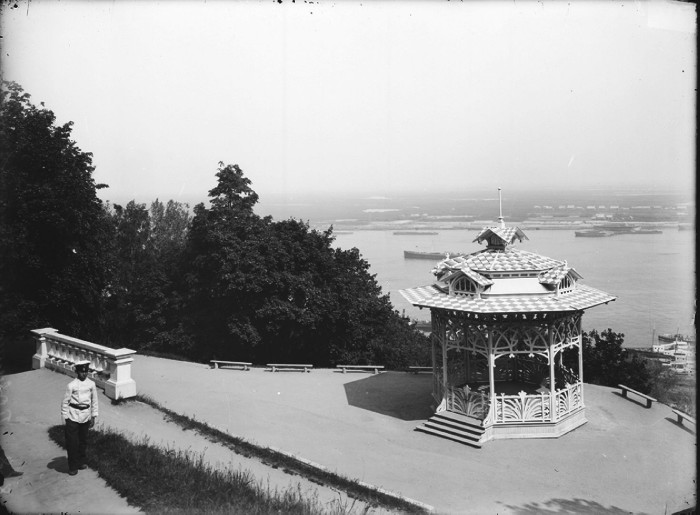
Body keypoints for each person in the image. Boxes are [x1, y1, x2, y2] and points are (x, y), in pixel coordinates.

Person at [61, 360, 98, 476]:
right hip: (73, 416)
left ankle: (81, 461)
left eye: (86, 371)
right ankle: (72, 466)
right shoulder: (71, 385)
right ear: (77, 372)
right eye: (82, 372)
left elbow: (94, 401)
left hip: (85, 415)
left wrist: (93, 416)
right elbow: (65, 402)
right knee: (72, 442)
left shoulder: (91, 384)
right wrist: (65, 418)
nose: (84, 374)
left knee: (83, 441)